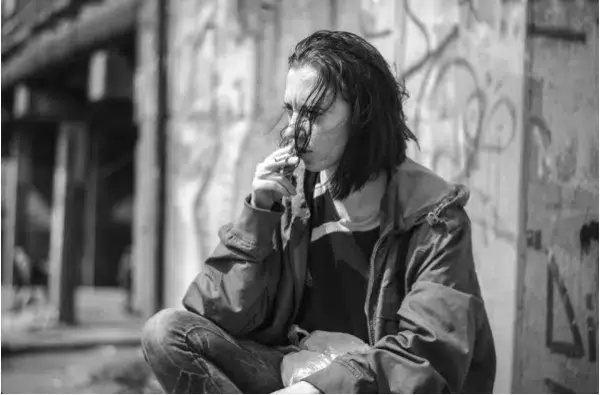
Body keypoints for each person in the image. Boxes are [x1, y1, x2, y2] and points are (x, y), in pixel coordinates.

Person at [142, 30, 496, 394]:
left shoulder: (435, 217)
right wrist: (258, 216)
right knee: (166, 333)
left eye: (313, 113)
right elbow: (220, 314)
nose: (294, 129)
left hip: (371, 387)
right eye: (291, 110)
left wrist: (319, 389)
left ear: (363, 116)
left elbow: (429, 354)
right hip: (296, 372)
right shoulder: (292, 195)